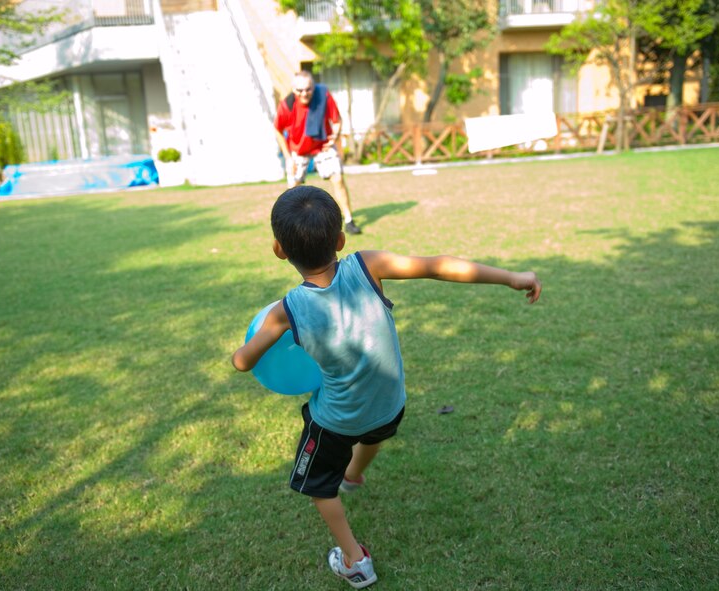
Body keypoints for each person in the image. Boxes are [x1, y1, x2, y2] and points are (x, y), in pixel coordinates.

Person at [232, 186, 542, 589]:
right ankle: (356, 474)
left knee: (318, 488)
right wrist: (512, 277)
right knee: (372, 433)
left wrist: (257, 344)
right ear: (341, 240)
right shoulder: (367, 265)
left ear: (278, 249)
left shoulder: (286, 310)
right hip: (390, 404)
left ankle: (354, 560)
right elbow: (439, 266)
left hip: (337, 420)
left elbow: (243, 361)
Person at [274, 71, 362, 235]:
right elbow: (277, 130)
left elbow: (337, 121)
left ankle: (349, 220)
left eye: (308, 89)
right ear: (293, 90)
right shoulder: (287, 105)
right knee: (292, 190)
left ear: (313, 88)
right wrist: (287, 158)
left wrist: (335, 135)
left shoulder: (323, 96)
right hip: (298, 150)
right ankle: (289, 227)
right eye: (300, 90)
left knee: (338, 179)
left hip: (323, 147)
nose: (304, 93)